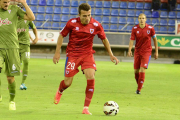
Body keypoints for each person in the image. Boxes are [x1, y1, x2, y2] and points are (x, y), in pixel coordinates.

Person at [53, 3, 119, 115]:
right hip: (73, 55)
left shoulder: (96, 25)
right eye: (84, 16)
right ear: (79, 15)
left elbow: (104, 39)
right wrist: (57, 52)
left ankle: (86, 108)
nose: (87, 18)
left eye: (89, 15)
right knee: (68, 82)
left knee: (91, 76)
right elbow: (61, 35)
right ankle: (60, 90)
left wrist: (111, 55)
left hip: (87, 54)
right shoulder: (71, 23)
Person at [0, 0, 35, 110]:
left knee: (10, 78)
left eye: (8, 2)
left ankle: (12, 100)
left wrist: (24, 3)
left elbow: (31, 18)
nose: (7, 4)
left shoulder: (14, 9)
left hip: (13, 48)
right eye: (4, 2)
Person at [128, 13, 158, 94]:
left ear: (145, 19)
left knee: (142, 69)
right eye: (140, 18)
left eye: (143, 18)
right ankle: (140, 84)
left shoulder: (150, 28)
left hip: (146, 52)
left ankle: (138, 90)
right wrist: (130, 50)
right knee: (136, 72)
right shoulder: (134, 29)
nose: (141, 20)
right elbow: (131, 40)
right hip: (137, 52)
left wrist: (156, 51)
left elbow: (155, 39)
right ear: (138, 19)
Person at [17, 3, 38, 90]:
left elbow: (33, 28)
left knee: (26, 62)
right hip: (14, 45)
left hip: (25, 44)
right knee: (14, 64)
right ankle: (11, 82)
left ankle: (23, 83)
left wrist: (36, 37)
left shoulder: (27, 19)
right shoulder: (11, 20)